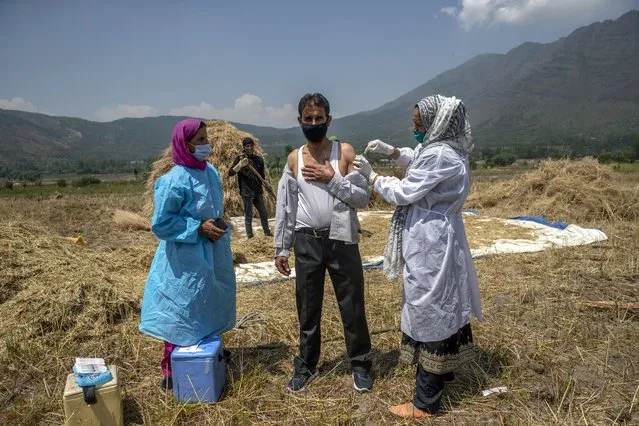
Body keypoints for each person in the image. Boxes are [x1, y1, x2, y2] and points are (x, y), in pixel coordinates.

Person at [353, 95, 483, 418]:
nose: (415, 130)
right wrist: (394, 153)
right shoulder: (450, 149)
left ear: (436, 124)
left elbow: (403, 191)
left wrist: (372, 178)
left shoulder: (440, 155)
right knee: (441, 303)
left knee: (429, 309)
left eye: (419, 125)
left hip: (430, 240)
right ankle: (441, 374)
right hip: (438, 235)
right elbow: (417, 155)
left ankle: (425, 402)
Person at [274, 93, 374, 393]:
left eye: (319, 118)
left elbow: (362, 197)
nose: (314, 123)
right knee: (307, 307)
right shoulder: (294, 158)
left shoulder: (344, 153)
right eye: (309, 119)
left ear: (329, 120)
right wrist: (282, 247)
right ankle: (306, 365)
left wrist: (332, 178)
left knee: (352, 302)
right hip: (307, 242)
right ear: (300, 121)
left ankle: (360, 364)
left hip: (341, 238)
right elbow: (286, 206)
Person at [139, 119, 236, 391]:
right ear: (185, 144)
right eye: (201, 139)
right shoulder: (173, 180)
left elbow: (213, 205)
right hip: (185, 258)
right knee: (181, 310)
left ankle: (209, 351)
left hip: (212, 251)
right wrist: (197, 227)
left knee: (209, 300)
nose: (206, 144)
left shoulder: (211, 172)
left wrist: (218, 222)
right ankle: (172, 367)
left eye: (207, 138)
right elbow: (162, 224)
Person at [228, 137, 272, 238]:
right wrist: (239, 165)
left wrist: (265, 184)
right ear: (244, 147)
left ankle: (267, 232)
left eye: (251, 146)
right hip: (246, 191)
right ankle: (250, 236)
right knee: (248, 215)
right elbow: (230, 173)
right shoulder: (240, 159)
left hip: (257, 190)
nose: (249, 148)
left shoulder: (258, 159)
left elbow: (262, 176)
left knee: (264, 212)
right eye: (247, 146)